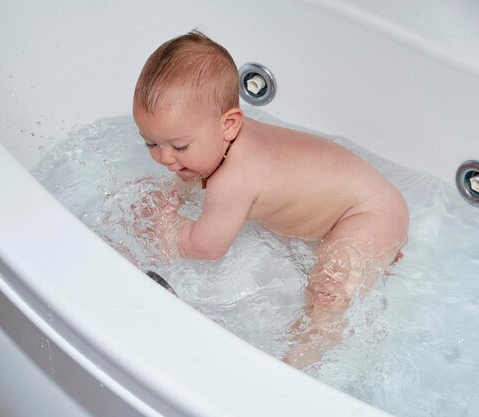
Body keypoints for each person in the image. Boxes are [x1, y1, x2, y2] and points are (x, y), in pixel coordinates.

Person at [133, 30, 409, 369]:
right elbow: (188, 175)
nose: (165, 159)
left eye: (179, 147)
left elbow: (206, 247)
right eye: (150, 143)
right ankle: (376, 253)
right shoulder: (211, 145)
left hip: (369, 212)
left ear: (230, 125)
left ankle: (301, 362)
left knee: (328, 292)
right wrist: (175, 195)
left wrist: (168, 227)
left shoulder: (234, 179)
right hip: (350, 200)